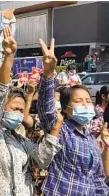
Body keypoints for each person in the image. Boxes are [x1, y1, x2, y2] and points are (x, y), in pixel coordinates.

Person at [0, 28, 63, 196]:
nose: (20, 114)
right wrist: (9, 56)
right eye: (15, 108)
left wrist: (56, 129)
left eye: (22, 110)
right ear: (2, 109)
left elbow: (42, 159)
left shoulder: (20, 140)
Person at [37, 39, 109, 195]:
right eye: (78, 101)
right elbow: (45, 107)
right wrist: (48, 75)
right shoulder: (60, 129)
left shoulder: (90, 138)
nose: (85, 105)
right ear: (66, 108)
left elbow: (97, 179)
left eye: (88, 101)